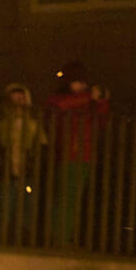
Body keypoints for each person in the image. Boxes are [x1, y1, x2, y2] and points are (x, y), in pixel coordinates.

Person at [45, 60, 110, 246]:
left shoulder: (84, 103)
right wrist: (91, 97)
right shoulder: (59, 100)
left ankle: (66, 237)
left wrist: (102, 102)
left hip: (85, 156)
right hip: (68, 155)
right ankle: (60, 239)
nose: (81, 86)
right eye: (77, 81)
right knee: (66, 199)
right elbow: (59, 106)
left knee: (73, 200)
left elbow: (101, 123)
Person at [0, 82, 46, 241]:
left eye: (20, 100)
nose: (17, 105)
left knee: (28, 209)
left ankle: (24, 240)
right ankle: (2, 239)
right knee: (5, 209)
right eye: (13, 101)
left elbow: (41, 147)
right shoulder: (1, 125)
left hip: (27, 174)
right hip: (7, 174)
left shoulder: (34, 126)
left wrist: (32, 163)